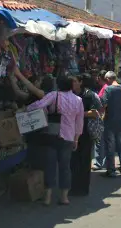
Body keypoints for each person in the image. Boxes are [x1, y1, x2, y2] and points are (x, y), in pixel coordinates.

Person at [27, 76, 84, 205]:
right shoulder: (78, 100)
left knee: (50, 166)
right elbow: (79, 122)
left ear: (58, 85)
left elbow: (39, 104)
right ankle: (64, 197)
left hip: (52, 135)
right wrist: (76, 139)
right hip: (68, 137)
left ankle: (48, 197)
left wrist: (26, 109)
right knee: (65, 167)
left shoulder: (54, 95)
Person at [70, 73, 102, 196]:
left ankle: (83, 188)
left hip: (85, 131)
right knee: (73, 161)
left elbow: (95, 113)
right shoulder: (69, 94)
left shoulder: (90, 95)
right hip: (71, 131)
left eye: (74, 81)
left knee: (84, 159)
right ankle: (73, 187)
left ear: (80, 82)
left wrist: (78, 114)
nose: (72, 84)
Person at [101, 71, 121, 177]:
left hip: (109, 121)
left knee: (110, 146)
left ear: (108, 79)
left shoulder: (108, 89)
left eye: (105, 80)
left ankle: (111, 170)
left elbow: (103, 104)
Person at [92, 70, 109, 170]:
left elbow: (103, 104)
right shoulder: (105, 88)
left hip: (102, 116)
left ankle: (99, 163)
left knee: (99, 141)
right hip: (104, 116)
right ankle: (105, 162)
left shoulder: (105, 88)